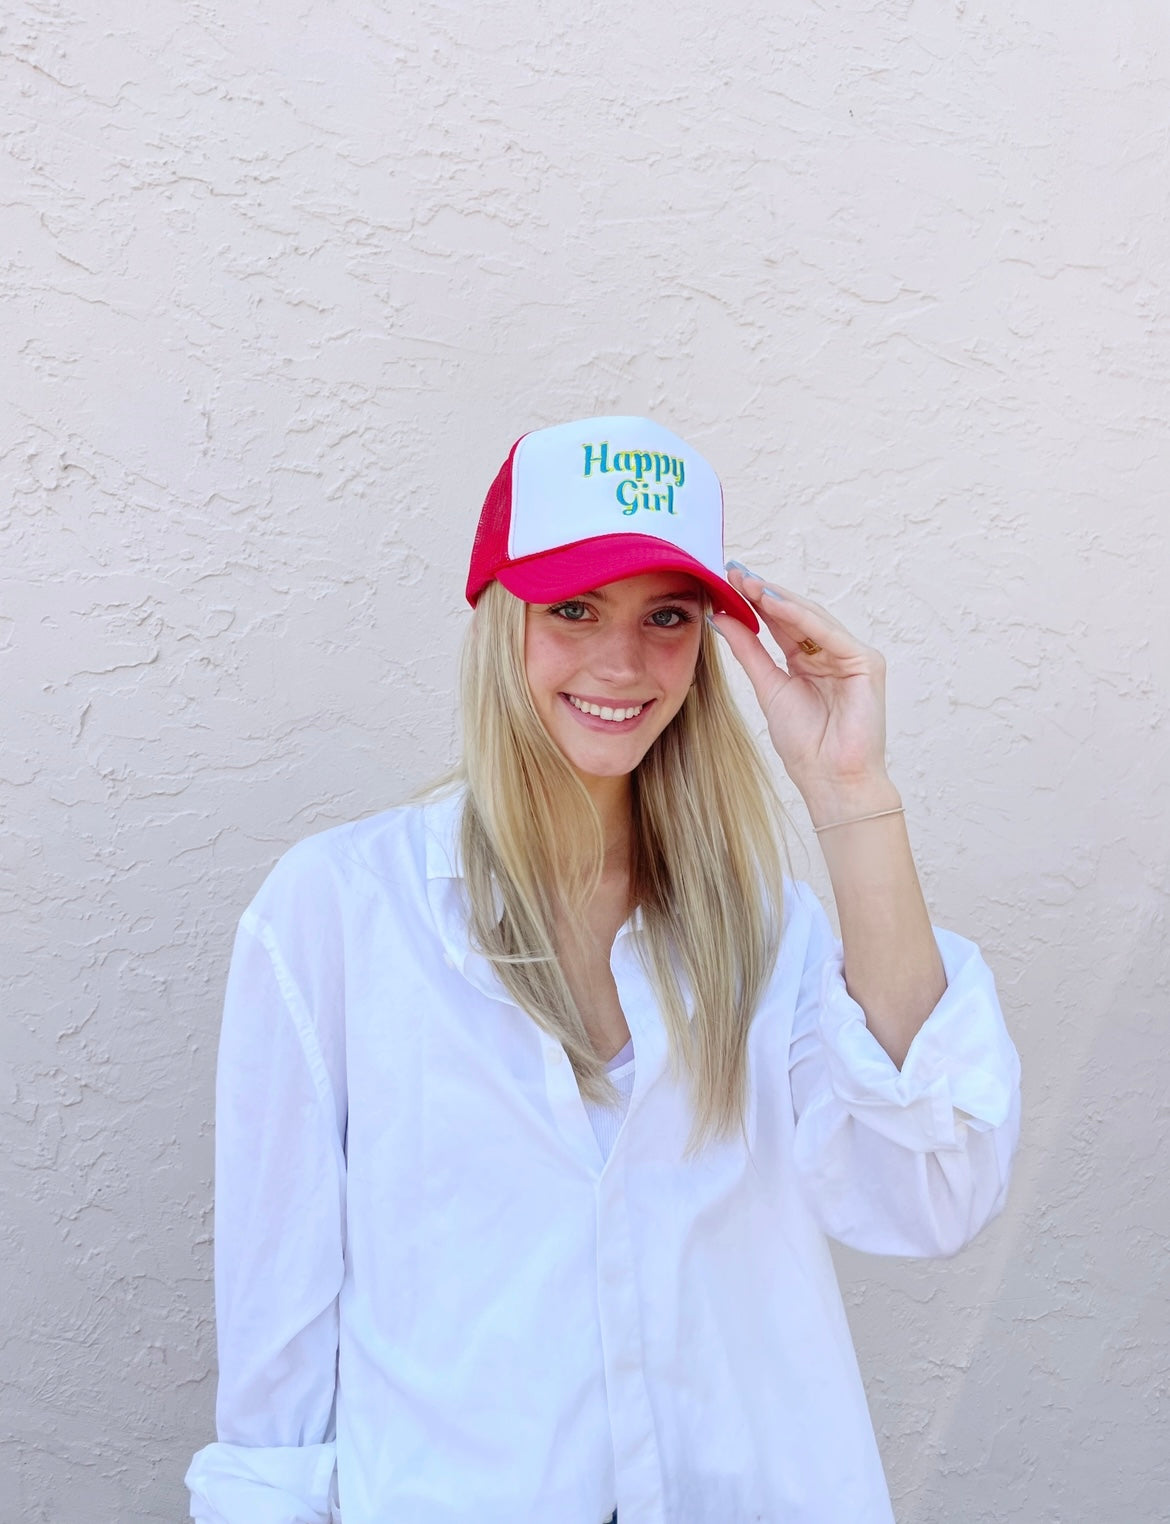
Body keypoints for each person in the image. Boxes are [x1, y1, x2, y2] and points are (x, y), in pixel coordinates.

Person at [185, 416, 1021, 1524]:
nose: (621, 664)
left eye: (666, 617)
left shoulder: (764, 930)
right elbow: (277, 1351)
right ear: (501, 621)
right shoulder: (341, 912)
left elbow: (933, 1193)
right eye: (573, 609)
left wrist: (852, 796)